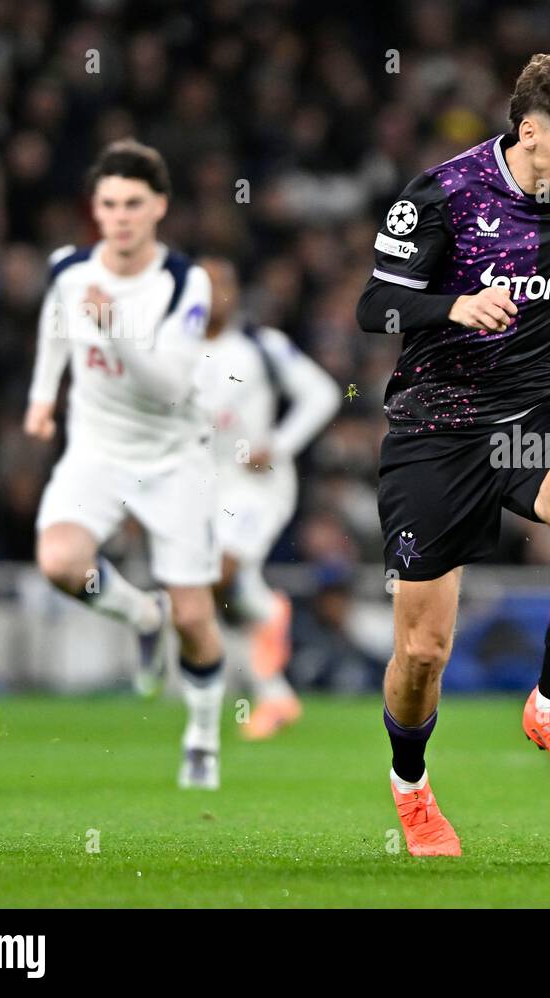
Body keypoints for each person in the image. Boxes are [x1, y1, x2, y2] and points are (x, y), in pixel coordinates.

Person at [356, 51, 550, 856]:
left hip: (539, 407)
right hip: (437, 428)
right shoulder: (441, 196)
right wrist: (453, 306)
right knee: (421, 653)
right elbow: (372, 306)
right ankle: (410, 786)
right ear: (529, 134)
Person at [24, 139, 224, 789]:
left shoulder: (183, 281)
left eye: (133, 203)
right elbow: (56, 327)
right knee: (59, 563)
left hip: (173, 457)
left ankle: (201, 736)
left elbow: (167, 384)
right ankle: (140, 614)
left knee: (195, 616)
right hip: (97, 451)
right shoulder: (70, 270)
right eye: (108, 203)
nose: (120, 216)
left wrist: (114, 332)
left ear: (159, 206)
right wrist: (40, 399)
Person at [197, 256, 341, 739]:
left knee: (222, 570)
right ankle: (274, 692)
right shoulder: (172, 351)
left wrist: (278, 445)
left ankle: (267, 612)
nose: (212, 295)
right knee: (210, 590)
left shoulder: (262, 346)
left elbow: (323, 393)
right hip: (203, 485)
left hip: (256, 484)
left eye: (222, 284)